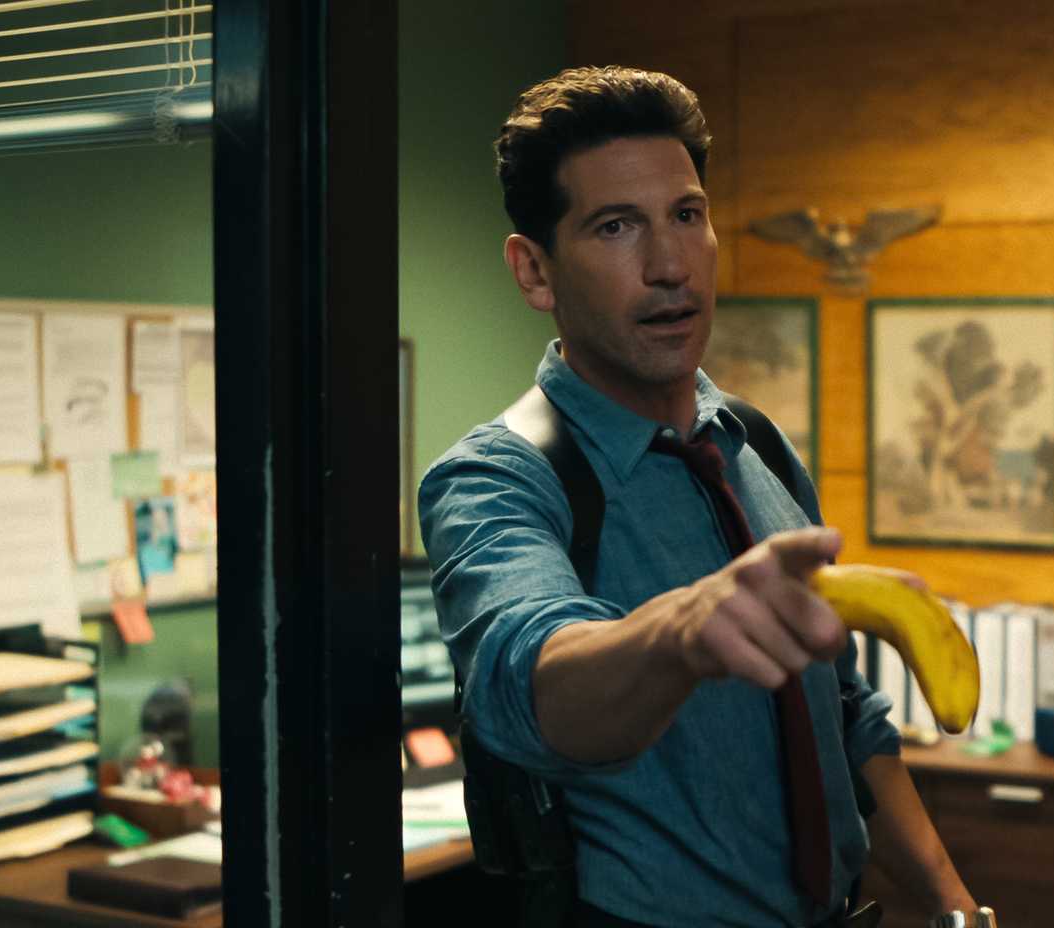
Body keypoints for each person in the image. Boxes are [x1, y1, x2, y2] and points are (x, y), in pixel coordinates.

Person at [419, 65, 977, 928]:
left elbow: (844, 713)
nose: (670, 266)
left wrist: (954, 907)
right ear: (534, 272)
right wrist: (684, 633)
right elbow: (533, 684)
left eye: (686, 215)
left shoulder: (756, 443)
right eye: (615, 227)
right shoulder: (496, 479)